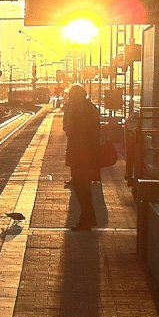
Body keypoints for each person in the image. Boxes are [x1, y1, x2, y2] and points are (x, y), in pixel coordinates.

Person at [64, 84, 101, 230]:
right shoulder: (91, 108)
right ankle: (89, 217)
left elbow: (70, 131)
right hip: (89, 153)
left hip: (79, 154)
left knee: (81, 187)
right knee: (84, 187)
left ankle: (86, 218)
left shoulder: (78, 111)